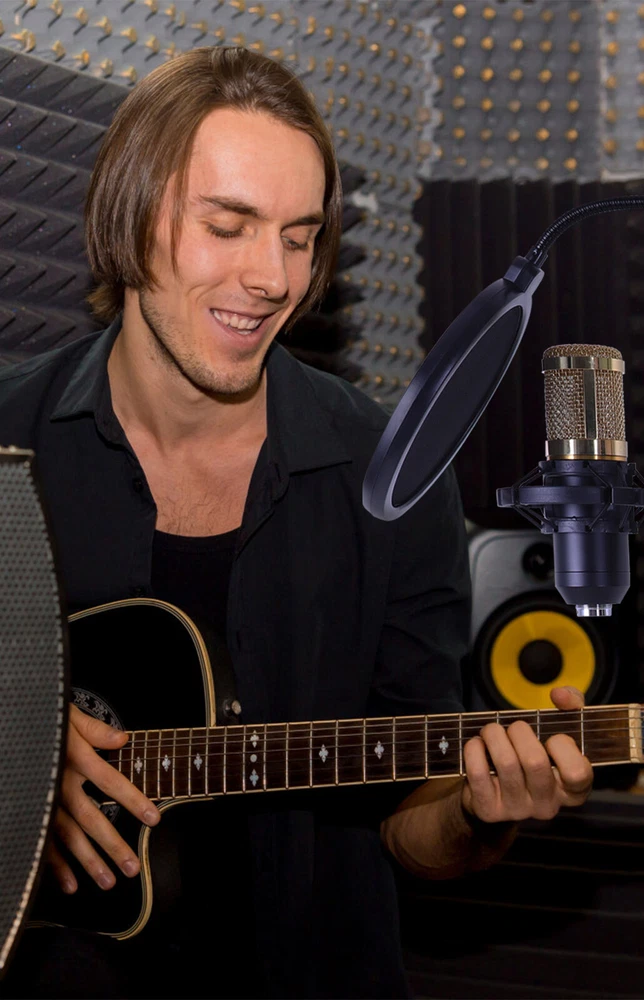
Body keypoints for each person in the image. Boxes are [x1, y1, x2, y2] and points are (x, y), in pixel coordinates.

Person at [0, 47, 593, 998]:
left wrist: (481, 817)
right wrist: (16, 744)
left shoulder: (392, 477)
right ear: (128, 215)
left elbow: (413, 824)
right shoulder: (6, 444)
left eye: (297, 237)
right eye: (227, 226)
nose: (271, 277)